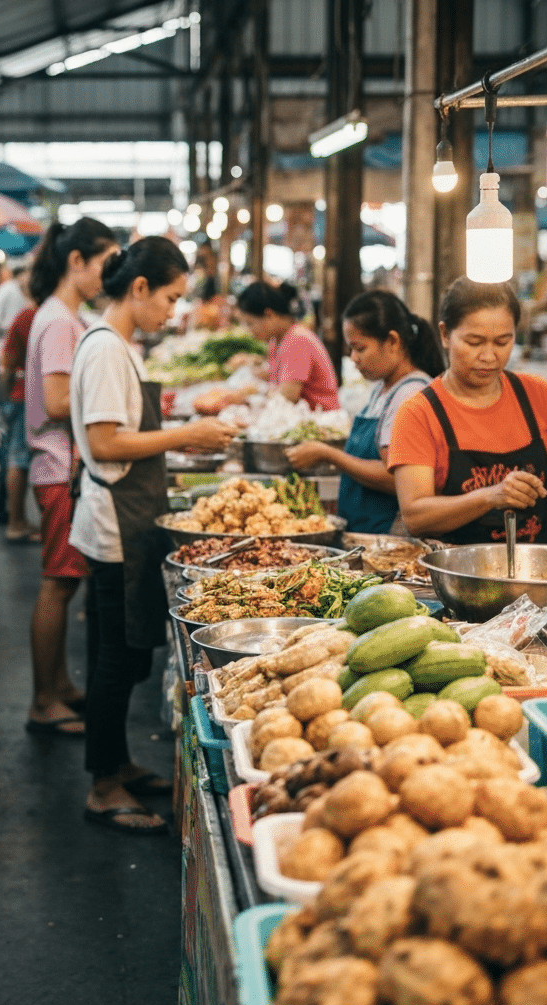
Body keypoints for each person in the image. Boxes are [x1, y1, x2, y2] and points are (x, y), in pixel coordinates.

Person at [70, 237, 236, 833]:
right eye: (169, 298)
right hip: (117, 521)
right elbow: (109, 442)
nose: (172, 311)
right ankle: (104, 785)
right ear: (139, 288)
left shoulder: (116, 345)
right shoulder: (108, 350)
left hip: (126, 514)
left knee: (124, 652)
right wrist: (186, 436)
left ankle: (118, 763)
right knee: (118, 657)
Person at [23, 217, 117, 736]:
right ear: (76, 261)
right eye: (106, 263)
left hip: (62, 465)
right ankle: (42, 700)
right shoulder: (60, 321)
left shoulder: (64, 316)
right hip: (61, 466)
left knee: (65, 582)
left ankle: (58, 685)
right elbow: (58, 401)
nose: (111, 274)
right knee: (58, 583)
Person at [388, 277, 547, 544]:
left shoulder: (537, 394)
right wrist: (490, 496)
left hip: (539, 570)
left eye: (502, 341)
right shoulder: (418, 413)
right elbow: (415, 516)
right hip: (460, 576)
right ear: (445, 334)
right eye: (474, 342)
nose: (489, 356)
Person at [286, 290, 445, 534]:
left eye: (360, 348)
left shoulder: (410, 395)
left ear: (393, 341)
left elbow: (397, 480)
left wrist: (329, 454)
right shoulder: (383, 389)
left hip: (388, 536)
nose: (353, 358)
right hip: (364, 530)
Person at [236, 279, 340, 410]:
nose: (249, 331)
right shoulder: (277, 340)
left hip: (322, 420)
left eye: (250, 323)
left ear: (269, 315)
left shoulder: (297, 340)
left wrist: (249, 400)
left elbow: (288, 396)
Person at [0, 298, 40, 543]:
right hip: (24, 394)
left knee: (19, 457)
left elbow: (8, 359)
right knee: (19, 458)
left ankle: (19, 520)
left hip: (19, 393)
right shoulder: (32, 315)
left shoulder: (27, 314)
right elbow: (8, 362)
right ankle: (16, 522)